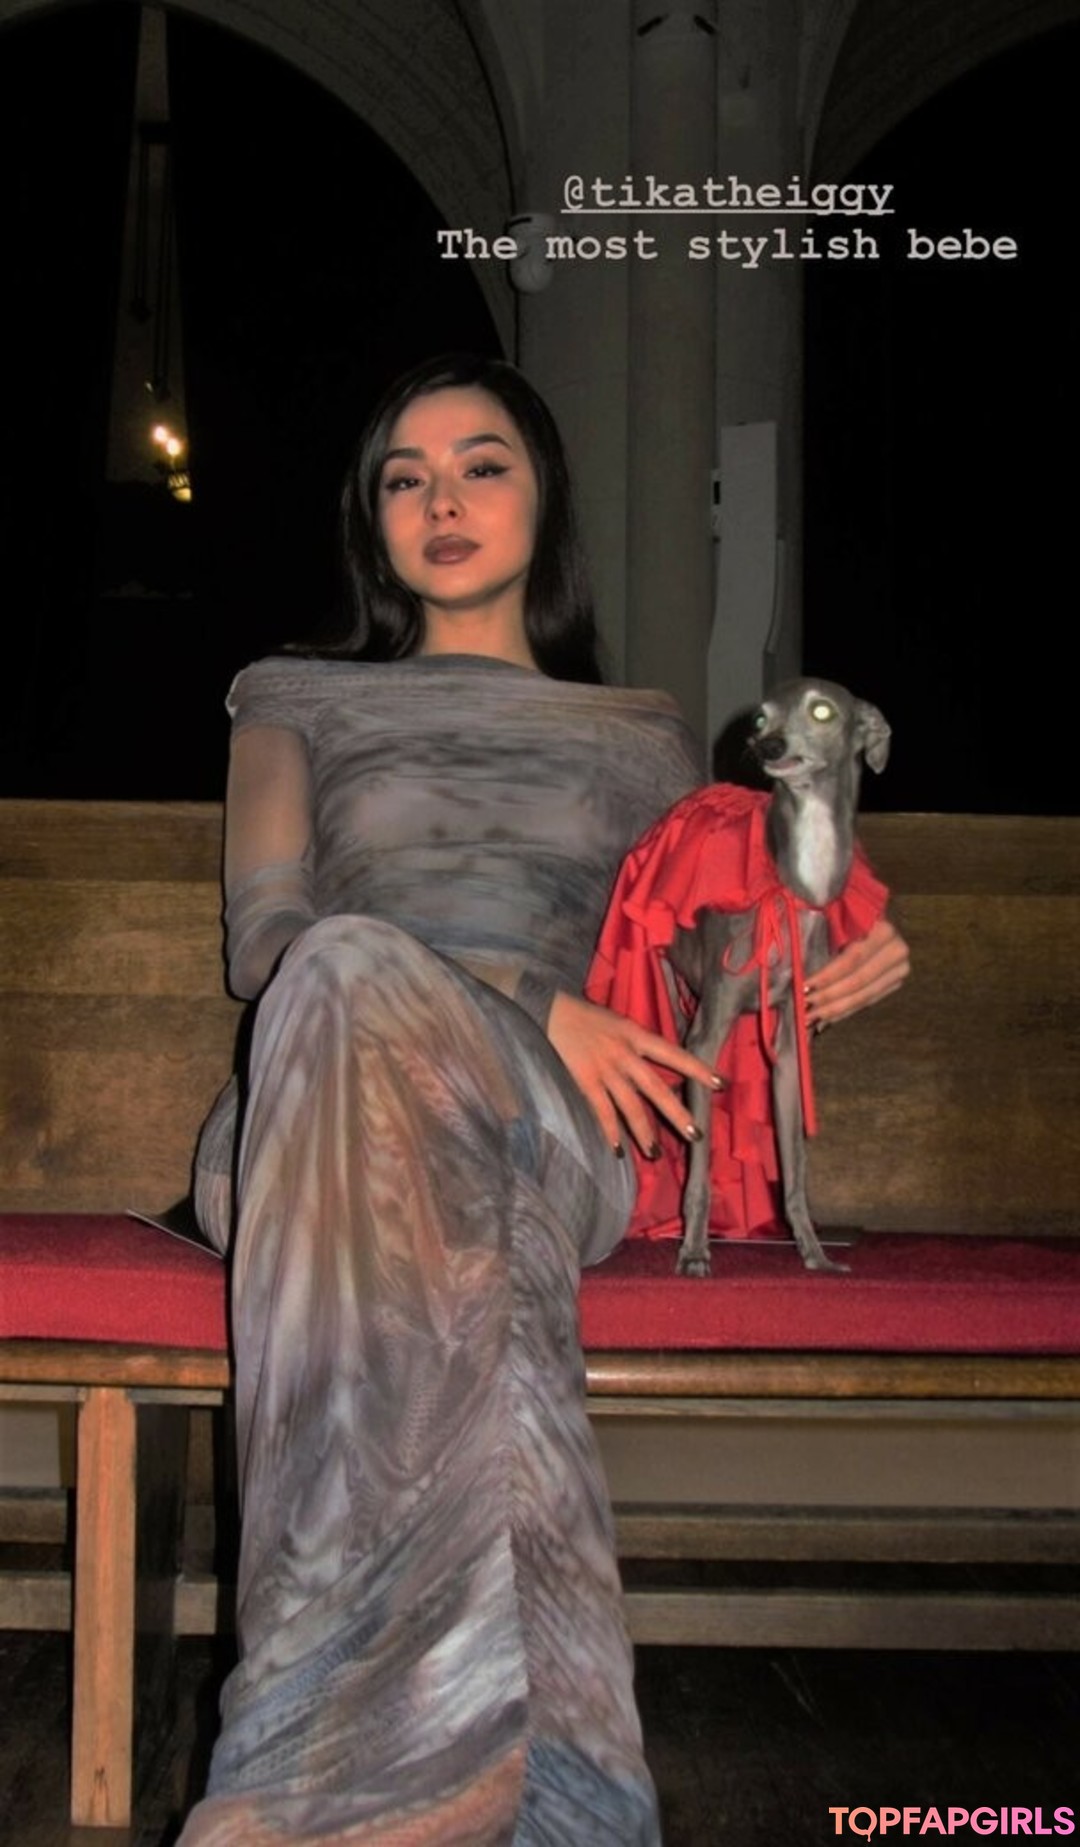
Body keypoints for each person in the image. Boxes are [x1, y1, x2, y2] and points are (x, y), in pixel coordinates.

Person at [180, 353, 909, 1845]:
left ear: (543, 499)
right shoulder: (292, 696)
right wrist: (529, 993)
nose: (441, 500)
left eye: (481, 466)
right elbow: (271, 946)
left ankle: (313, 1772)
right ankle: (544, 1801)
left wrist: (829, 939)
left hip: (560, 1117)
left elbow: (710, 933)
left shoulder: (640, 732)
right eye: (406, 478)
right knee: (373, 1024)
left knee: (475, 1188)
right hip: (318, 1097)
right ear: (373, 519)